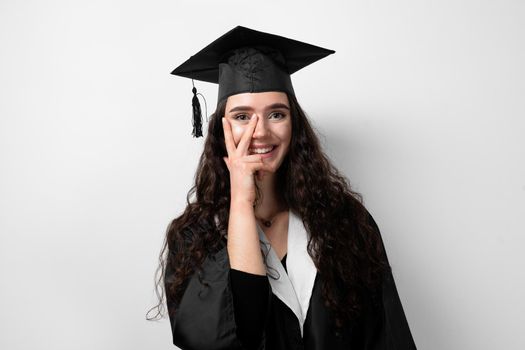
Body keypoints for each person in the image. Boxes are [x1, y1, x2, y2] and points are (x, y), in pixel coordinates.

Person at [150, 26, 417, 350]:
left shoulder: (345, 222)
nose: (260, 131)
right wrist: (241, 203)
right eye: (242, 116)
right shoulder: (194, 236)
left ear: (295, 125)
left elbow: (386, 336)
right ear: (222, 128)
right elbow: (225, 339)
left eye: (276, 113)